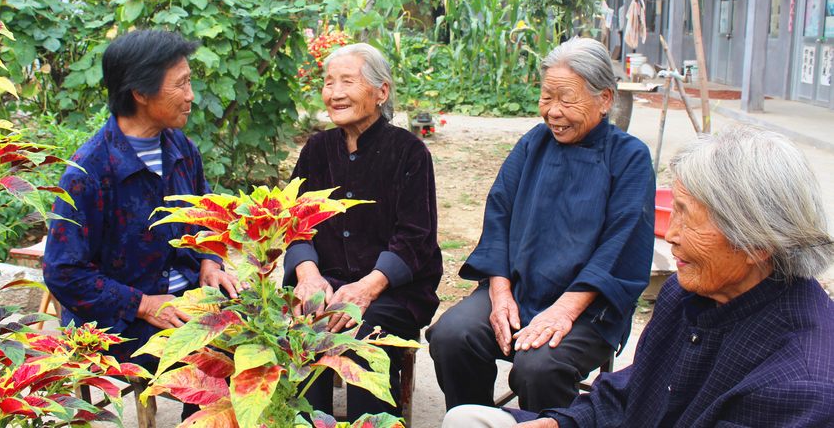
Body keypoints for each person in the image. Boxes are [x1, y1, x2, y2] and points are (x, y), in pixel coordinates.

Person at [442, 125, 834, 428]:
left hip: (585, 307)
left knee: (540, 364)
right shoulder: (688, 295)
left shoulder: (797, 388)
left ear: (757, 243)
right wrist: (555, 422)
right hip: (528, 293)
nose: (672, 235)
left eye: (687, 216)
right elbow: (633, 395)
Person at [428, 37, 655, 414]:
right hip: (519, 287)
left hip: (588, 304)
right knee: (453, 336)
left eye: (566, 99)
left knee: (539, 367)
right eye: (546, 97)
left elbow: (623, 244)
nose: (552, 112)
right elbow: (498, 215)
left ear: (605, 100)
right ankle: (476, 421)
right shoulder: (533, 143)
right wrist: (500, 292)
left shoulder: (629, 158)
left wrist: (564, 310)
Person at [44, 30, 238, 369]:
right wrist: (144, 304)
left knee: (265, 337)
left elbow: (208, 216)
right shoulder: (89, 172)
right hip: (120, 322)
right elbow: (63, 271)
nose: (191, 96)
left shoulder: (181, 149)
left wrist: (211, 261)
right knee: (214, 366)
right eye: (181, 84)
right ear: (140, 93)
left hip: (188, 300)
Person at [283, 42, 442, 421]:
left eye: (347, 82)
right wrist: (308, 275)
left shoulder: (409, 152)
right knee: (305, 322)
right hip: (326, 280)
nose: (334, 93)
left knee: (358, 331)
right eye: (328, 83)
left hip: (393, 291)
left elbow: (414, 237)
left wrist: (364, 289)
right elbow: (293, 221)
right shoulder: (317, 150)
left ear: (380, 91)